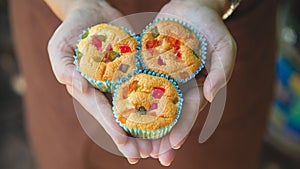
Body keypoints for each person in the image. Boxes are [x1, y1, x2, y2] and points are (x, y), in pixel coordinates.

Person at [9, 0, 277, 168]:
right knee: (67, 148)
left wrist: (211, 2)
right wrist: (74, 5)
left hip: (226, 16)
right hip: (61, 11)